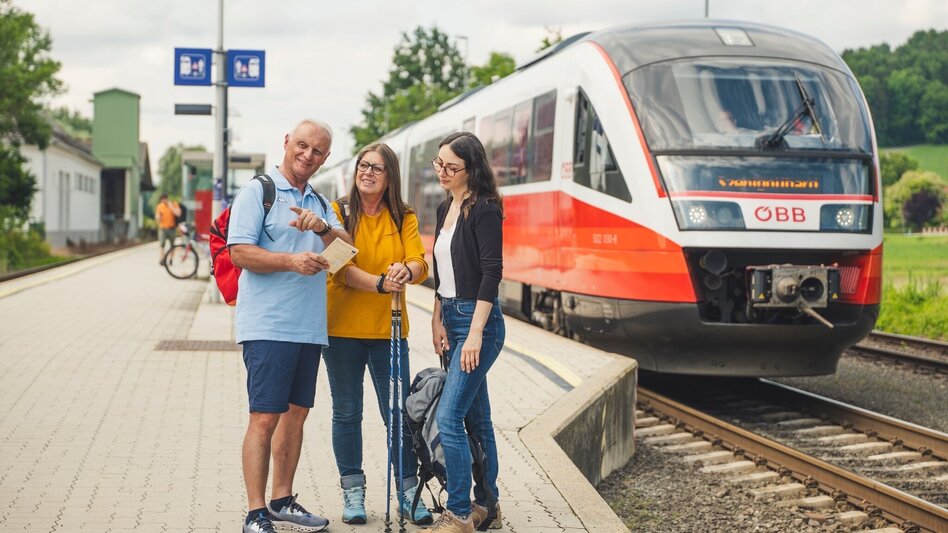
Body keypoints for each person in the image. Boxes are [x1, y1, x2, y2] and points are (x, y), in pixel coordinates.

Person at [228, 119, 351, 533]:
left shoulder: (319, 201)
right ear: (286, 142)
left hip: (308, 328)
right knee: (264, 417)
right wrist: (290, 261)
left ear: (326, 158)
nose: (307, 155)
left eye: (317, 151)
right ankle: (255, 511)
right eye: (302, 145)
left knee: (296, 415)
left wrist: (322, 229)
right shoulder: (257, 192)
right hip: (268, 326)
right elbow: (240, 253)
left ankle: (282, 500)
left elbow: (344, 255)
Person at [322, 142, 433, 526]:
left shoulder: (403, 216)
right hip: (341, 330)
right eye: (363, 166)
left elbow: (421, 261)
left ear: (390, 177)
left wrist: (408, 270)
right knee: (347, 413)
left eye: (377, 168)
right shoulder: (337, 212)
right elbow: (337, 267)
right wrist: (382, 284)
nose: (367, 172)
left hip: (389, 331)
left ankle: (407, 491)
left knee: (397, 416)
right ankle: (353, 491)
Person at [429, 132, 505, 533]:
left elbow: (492, 272)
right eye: (438, 163)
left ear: (470, 168)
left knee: (449, 416)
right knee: (479, 420)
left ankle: (459, 513)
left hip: (481, 324)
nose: (441, 172)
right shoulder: (447, 207)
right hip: (452, 319)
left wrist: (474, 334)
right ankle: (487, 505)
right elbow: (442, 273)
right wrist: (437, 317)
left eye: (450, 167)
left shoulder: (485, 209)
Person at [155, 194, 181, 265]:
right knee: (162, 244)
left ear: (167, 198)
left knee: (172, 245)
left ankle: (171, 259)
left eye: (164, 199)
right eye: (162, 199)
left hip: (172, 228)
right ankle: (162, 259)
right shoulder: (159, 206)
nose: (163, 200)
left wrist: (171, 207)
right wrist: (159, 217)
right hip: (163, 228)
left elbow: (178, 214)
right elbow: (157, 217)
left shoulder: (173, 204)